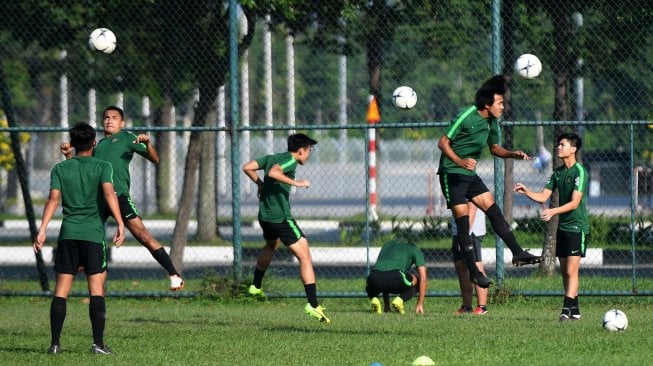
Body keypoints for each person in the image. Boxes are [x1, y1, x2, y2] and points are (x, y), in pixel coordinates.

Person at [437, 75, 543, 289]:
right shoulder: (466, 115)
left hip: (469, 175)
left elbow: (494, 149)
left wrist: (513, 154)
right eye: (500, 103)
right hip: (452, 174)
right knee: (463, 223)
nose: (503, 106)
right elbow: (443, 142)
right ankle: (475, 271)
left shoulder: (492, 122)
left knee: (493, 210)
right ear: (487, 104)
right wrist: (459, 160)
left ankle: (518, 252)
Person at [62, 106, 184, 291]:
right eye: (106, 117)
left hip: (118, 196)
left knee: (142, 234)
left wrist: (148, 144)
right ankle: (96, 294)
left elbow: (156, 159)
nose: (109, 120)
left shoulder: (127, 137)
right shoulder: (98, 145)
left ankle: (174, 274)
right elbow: (81, 168)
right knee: (87, 238)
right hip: (97, 200)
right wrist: (68, 155)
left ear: (122, 123)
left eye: (114, 118)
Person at [34, 122, 125, 355]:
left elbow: (53, 199)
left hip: (68, 235)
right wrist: (120, 223)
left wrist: (42, 229)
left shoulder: (60, 169)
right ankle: (98, 344)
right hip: (93, 235)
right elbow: (108, 193)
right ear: (94, 143)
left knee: (61, 291)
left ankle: (54, 344)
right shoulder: (103, 166)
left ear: (72, 144)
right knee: (96, 290)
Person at [243, 133, 330, 323]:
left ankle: (256, 286)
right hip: (280, 218)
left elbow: (247, 167)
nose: (308, 155)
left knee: (271, 245)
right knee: (305, 257)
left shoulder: (274, 157)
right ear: (301, 151)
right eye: (308, 151)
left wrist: (259, 184)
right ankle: (313, 305)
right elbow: (274, 172)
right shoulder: (289, 161)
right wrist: (296, 183)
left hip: (265, 216)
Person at [514, 132, 589, 321]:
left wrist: (553, 212)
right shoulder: (557, 172)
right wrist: (527, 191)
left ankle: (565, 309)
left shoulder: (579, 171)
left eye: (562, 145)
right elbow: (543, 196)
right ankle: (576, 309)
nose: (558, 147)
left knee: (572, 271)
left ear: (573, 149)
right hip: (563, 228)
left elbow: (574, 203)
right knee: (565, 272)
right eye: (558, 144)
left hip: (577, 228)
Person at [365, 239, 427, 315]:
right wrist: (420, 303)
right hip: (395, 277)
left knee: (373, 283)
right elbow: (423, 279)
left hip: (373, 276)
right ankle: (400, 300)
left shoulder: (387, 245)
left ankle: (374, 298)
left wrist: (387, 306)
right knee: (417, 279)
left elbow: (385, 271)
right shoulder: (414, 249)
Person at [452, 203, 489, 315]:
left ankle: (482, 307)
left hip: (471, 232)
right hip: (458, 232)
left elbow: (471, 209)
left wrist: (465, 236)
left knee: (476, 266)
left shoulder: (466, 185)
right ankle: (466, 306)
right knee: (461, 266)